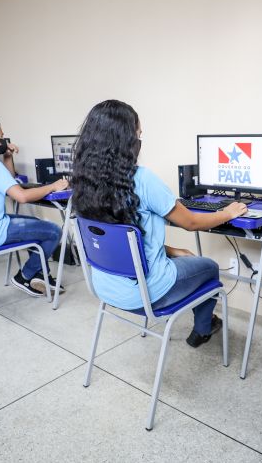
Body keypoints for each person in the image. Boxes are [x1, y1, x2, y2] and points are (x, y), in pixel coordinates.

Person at [72, 100, 249, 347]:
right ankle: (203, 328)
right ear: (125, 139)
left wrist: (173, 252)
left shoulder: (82, 183)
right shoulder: (142, 180)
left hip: (105, 287)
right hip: (145, 293)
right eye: (138, 134)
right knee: (208, 267)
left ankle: (204, 321)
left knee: (186, 256)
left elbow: (123, 239)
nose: (139, 139)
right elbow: (191, 222)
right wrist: (228, 213)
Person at [0, 116, 70, 297]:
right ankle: (26, 275)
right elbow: (21, 196)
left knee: (36, 223)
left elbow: (9, 182)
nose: (5, 140)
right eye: (2, 136)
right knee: (54, 231)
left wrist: (7, 156)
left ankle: (39, 273)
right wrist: (54, 186)